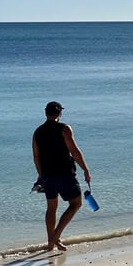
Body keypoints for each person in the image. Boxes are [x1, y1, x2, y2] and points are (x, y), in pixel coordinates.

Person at [32, 101, 91, 252]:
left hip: (47, 175)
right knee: (76, 204)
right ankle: (55, 236)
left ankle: (50, 243)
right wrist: (85, 169)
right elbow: (75, 151)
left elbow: (36, 157)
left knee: (51, 208)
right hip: (65, 173)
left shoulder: (37, 132)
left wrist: (41, 176)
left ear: (46, 113)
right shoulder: (64, 129)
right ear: (59, 113)